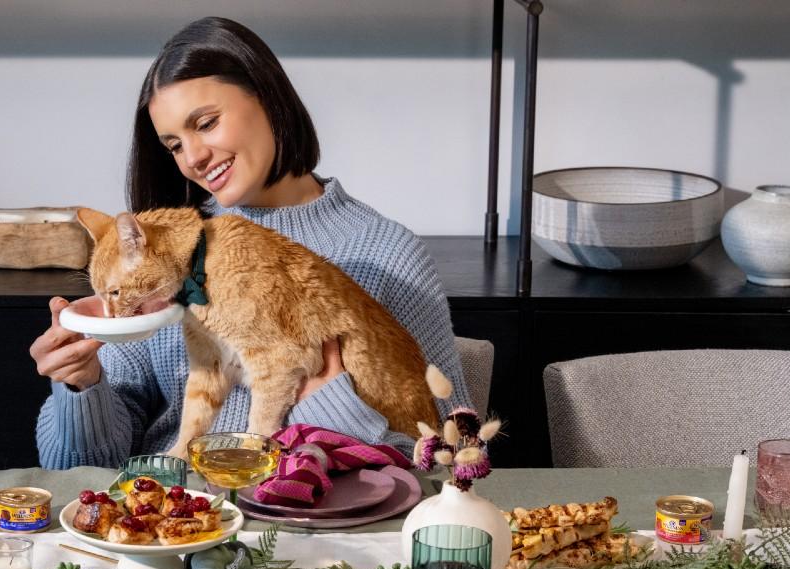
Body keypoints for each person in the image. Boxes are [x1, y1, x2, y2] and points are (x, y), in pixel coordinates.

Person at [31, 16, 471, 469]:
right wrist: (81, 385)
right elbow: (77, 465)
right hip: (177, 516)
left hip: (319, 527)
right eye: (174, 145)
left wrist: (329, 403)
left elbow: (453, 458)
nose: (194, 157)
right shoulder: (167, 255)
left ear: (267, 97)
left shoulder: (387, 251)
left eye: (206, 123)